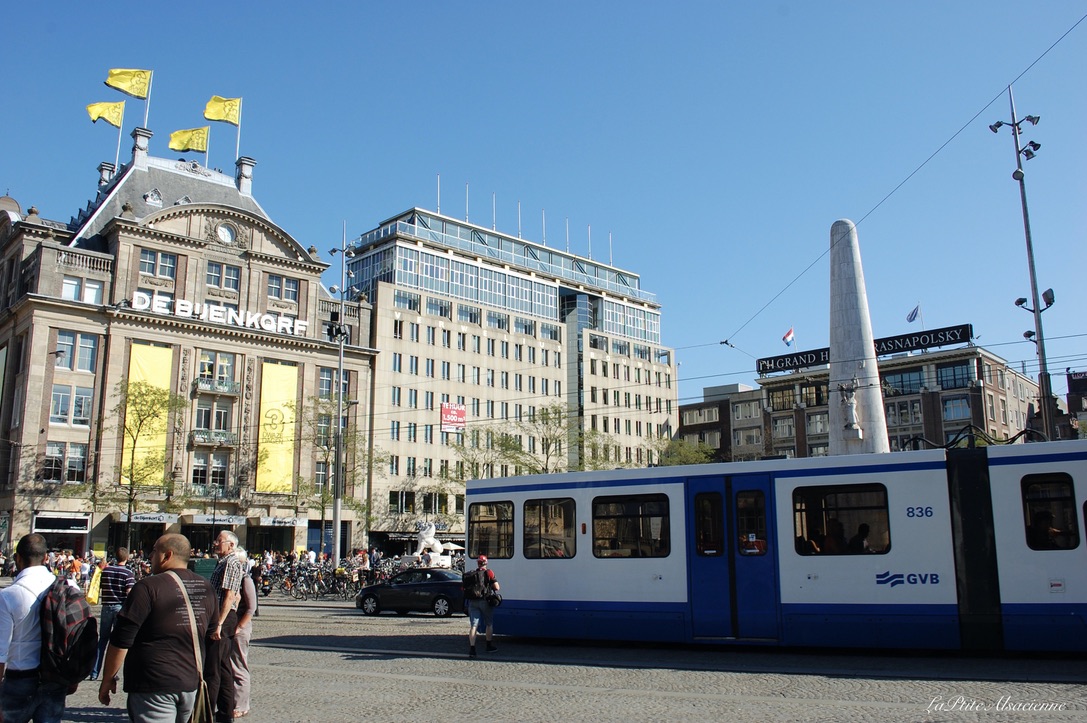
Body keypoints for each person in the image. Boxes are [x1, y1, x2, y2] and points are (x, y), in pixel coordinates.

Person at [97, 534, 217, 721]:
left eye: (154, 551)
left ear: (167, 555)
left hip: (154, 683)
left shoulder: (147, 587)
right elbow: (213, 637)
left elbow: (121, 639)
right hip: (190, 682)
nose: (150, 556)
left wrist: (107, 678)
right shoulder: (206, 588)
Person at [0, 534, 72, 723]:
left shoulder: (8, 596)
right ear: (45, 557)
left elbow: (0, 653)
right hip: (55, 676)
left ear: (17, 558)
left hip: (20, 677)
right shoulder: (67, 587)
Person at [206, 530, 244, 723]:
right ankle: (224, 713)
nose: (215, 543)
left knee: (214, 669)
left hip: (223, 616)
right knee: (223, 667)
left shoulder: (230, 562)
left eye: (219, 541)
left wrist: (219, 623)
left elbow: (229, 595)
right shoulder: (224, 562)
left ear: (231, 545)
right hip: (223, 616)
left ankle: (208, 712)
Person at [90, 547, 136, 681]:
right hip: (119, 607)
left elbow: (100, 585)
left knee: (102, 640)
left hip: (106, 607)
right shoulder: (128, 573)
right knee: (117, 642)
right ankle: (112, 673)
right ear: (127, 557)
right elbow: (129, 591)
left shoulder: (107, 571)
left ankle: (94, 672)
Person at [230, 548, 257, 719]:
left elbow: (251, 607)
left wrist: (239, 626)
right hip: (232, 627)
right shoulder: (234, 577)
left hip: (239, 627)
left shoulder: (245, 579)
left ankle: (241, 705)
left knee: (239, 666)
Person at [463, 555, 499, 659]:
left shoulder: (471, 574)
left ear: (478, 563)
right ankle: (489, 645)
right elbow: (497, 587)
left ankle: (472, 649)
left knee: (473, 626)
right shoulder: (489, 573)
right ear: (486, 563)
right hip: (485, 601)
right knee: (489, 623)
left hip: (473, 602)